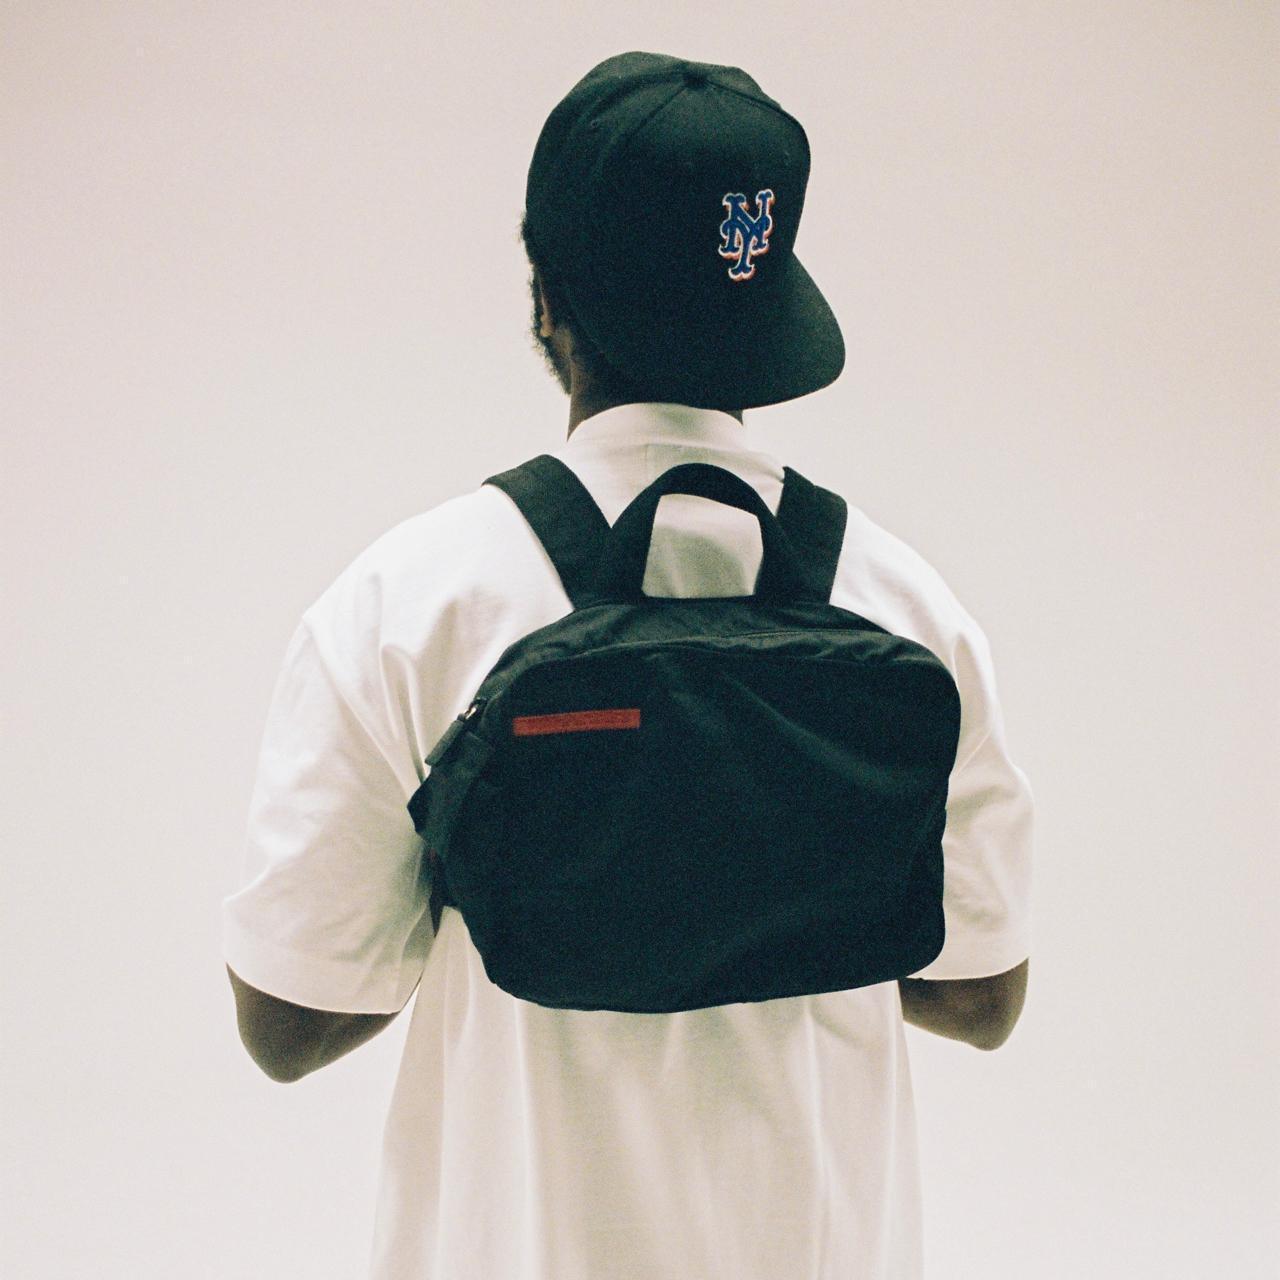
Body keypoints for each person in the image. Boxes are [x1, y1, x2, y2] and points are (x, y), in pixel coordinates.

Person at [223, 50, 1033, 1280]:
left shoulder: (404, 604)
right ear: (769, 305)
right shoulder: (910, 608)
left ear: (547, 296)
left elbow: (288, 1020)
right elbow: (979, 993)